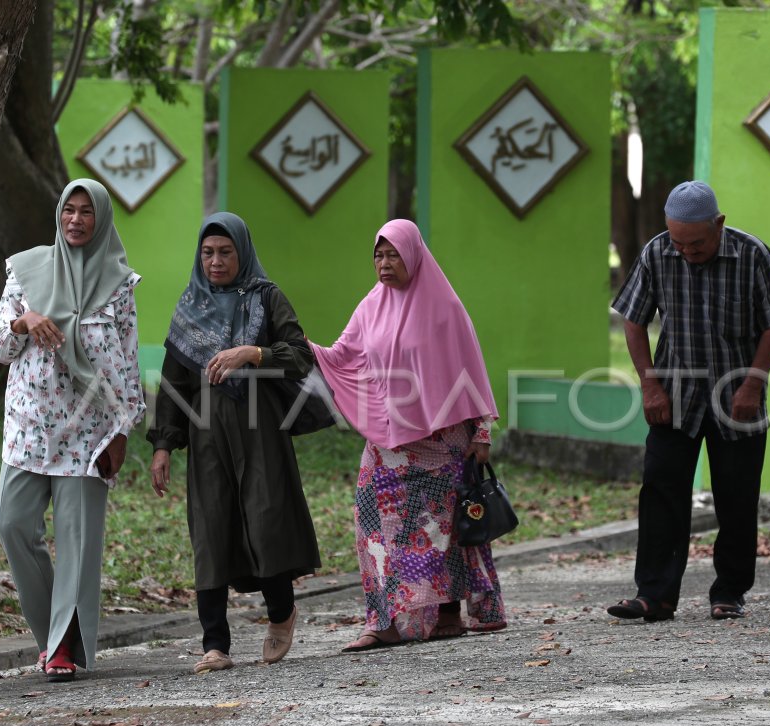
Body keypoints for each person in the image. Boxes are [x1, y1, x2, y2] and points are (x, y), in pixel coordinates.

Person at [310, 219, 506, 651]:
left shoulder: (445, 307)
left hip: (443, 440)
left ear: (413, 255)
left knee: (445, 527)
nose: (383, 263)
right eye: (378, 255)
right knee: (372, 518)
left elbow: (471, 368)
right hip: (389, 440)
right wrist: (299, 346)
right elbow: (342, 353)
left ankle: (451, 610)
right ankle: (382, 620)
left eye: (392, 254)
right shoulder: (371, 306)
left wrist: (483, 430)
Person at [607, 181, 770, 624]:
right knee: (660, 492)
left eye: (696, 243)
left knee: (736, 496)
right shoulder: (657, 253)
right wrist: (649, 385)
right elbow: (633, 320)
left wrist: (752, 385)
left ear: (719, 225)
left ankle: (729, 592)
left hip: (737, 396)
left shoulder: (753, 255)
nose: (687, 252)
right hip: (674, 396)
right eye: (679, 242)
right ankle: (654, 595)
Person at [148, 212, 321, 673]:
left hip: (259, 425)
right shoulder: (190, 305)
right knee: (211, 528)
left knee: (265, 518)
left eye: (225, 251)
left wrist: (253, 352)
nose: (216, 261)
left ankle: (281, 613)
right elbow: (174, 383)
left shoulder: (266, 297)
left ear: (242, 252)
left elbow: (301, 355)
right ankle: (215, 644)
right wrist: (163, 445)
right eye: (208, 252)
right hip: (207, 432)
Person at [0, 179, 144, 682]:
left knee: (77, 544)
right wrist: (23, 321)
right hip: (30, 426)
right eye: (68, 211)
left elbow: (125, 359)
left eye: (86, 212)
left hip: (88, 432)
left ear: (101, 220)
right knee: (13, 524)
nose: (76, 220)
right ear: (58, 215)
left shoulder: (119, 285)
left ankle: (62, 647)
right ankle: (52, 636)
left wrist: (123, 429)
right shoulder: (26, 271)